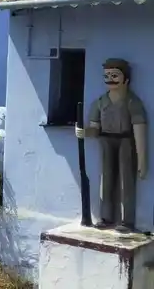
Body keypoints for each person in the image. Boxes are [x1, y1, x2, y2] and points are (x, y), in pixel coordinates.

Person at [75, 58, 148, 233]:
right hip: (106, 141)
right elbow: (95, 128)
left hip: (126, 141)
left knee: (126, 180)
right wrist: (84, 132)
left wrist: (142, 160)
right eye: (107, 75)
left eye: (115, 75)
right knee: (106, 178)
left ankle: (126, 220)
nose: (110, 79)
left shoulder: (132, 102)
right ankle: (106, 217)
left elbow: (139, 130)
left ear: (126, 79)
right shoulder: (100, 103)